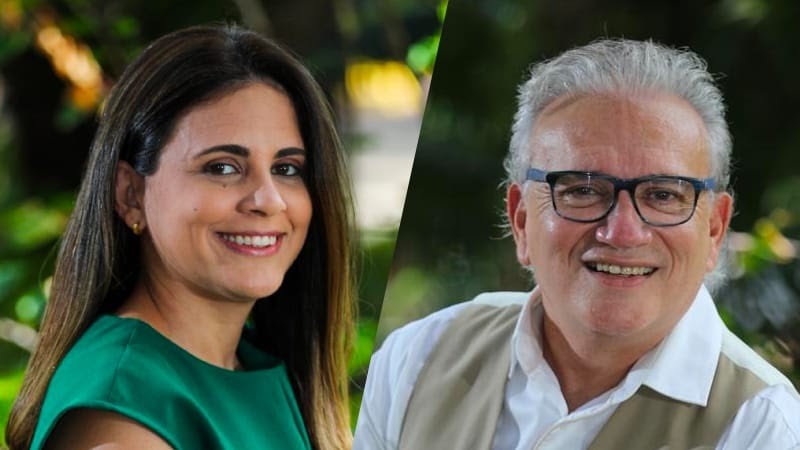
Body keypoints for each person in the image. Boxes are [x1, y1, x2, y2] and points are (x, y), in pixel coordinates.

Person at [354, 39, 800, 449]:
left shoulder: (760, 427)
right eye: (582, 191)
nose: (622, 232)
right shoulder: (416, 360)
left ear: (714, 230)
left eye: (663, 195)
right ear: (521, 219)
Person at [6, 24, 355, 450]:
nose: (269, 200)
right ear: (131, 194)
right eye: (223, 167)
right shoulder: (123, 415)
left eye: (287, 169)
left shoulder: (252, 363)